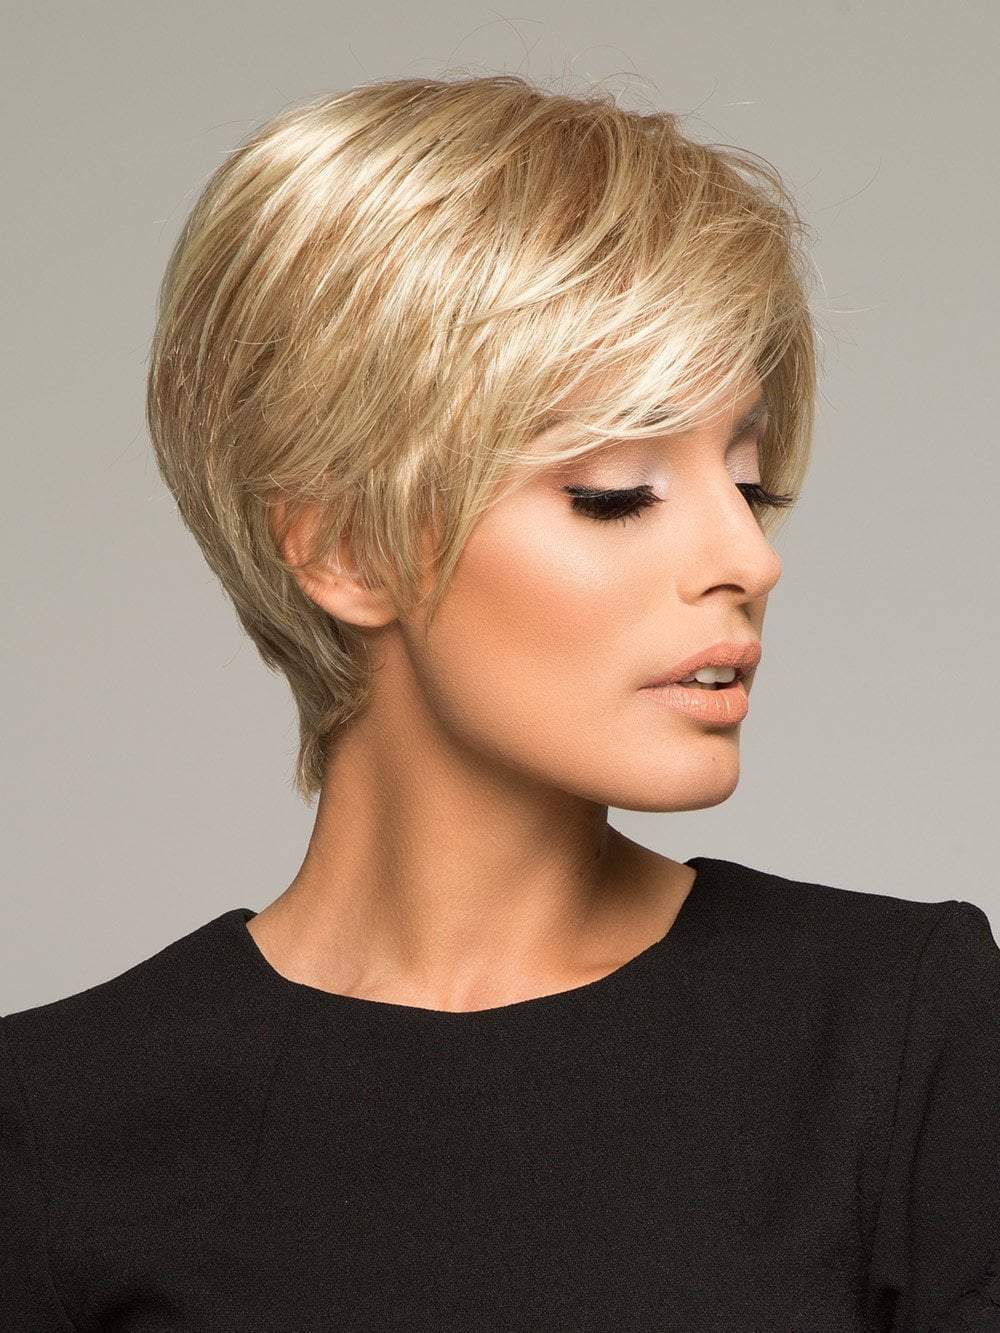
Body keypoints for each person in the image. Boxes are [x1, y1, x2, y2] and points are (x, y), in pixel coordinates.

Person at [2, 74, 997, 1332]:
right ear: (343, 548)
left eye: (748, 484)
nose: (749, 558)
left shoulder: (896, 1030)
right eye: (616, 490)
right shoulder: (56, 1122)